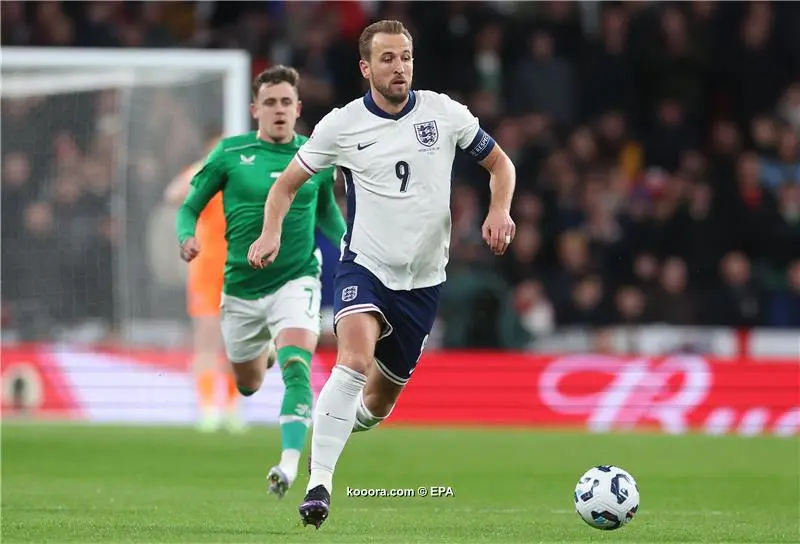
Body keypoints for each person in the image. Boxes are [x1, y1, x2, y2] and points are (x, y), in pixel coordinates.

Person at [247, 20, 516, 528]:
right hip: (364, 267)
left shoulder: (444, 113)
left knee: (376, 403)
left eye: (407, 57)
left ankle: (335, 425)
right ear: (366, 67)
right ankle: (319, 483)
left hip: (424, 281)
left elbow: (502, 165)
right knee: (352, 359)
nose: (400, 68)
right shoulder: (341, 126)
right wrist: (270, 233)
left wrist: (499, 210)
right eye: (388, 59)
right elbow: (284, 188)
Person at [175, 65, 347, 499]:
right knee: (248, 384)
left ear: (298, 108)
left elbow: (327, 212)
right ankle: (261, 355)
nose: (278, 110)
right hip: (240, 288)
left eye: (286, 102)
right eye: (269, 102)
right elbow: (188, 206)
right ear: (255, 109)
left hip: (297, 279)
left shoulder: (314, 156)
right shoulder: (229, 154)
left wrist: (348, 242)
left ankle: (289, 465)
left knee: (297, 368)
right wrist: (185, 235)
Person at [165, 130, 246, 433]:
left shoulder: (242, 177)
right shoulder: (200, 175)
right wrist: (205, 167)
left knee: (238, 341)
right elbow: (173, 194)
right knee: (207, 339)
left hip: (238, 268)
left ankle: (233, 407)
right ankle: (208, 406)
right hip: (206, 270)